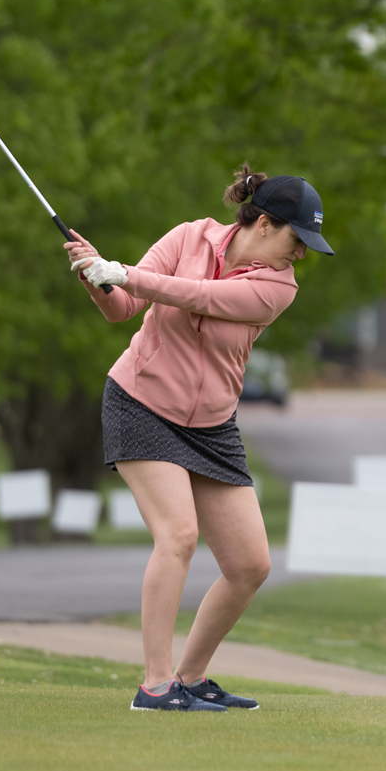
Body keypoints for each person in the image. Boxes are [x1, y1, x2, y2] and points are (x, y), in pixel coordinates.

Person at [64, 164, 334, 712]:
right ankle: (155, 685)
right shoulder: (187, 237)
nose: (301, 253)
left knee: (250, 564)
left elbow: (201, 297)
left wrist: (124, 272)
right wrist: (98, 278)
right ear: (263, 223)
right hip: (140, 402)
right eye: (296, 239)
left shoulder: (278, 287)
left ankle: (189, 677)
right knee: (178, 535)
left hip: (212, 425)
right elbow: (123, 309)